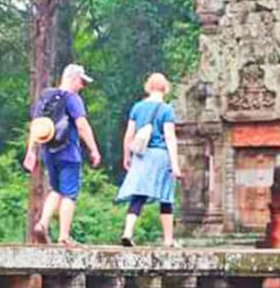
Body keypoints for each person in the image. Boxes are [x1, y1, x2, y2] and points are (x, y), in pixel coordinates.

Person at [23, 64, 102, 245]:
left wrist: (31, 151)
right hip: (69, 152)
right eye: (81, 82)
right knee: (69, 194)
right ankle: (64, 236)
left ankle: (42, 224)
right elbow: (82, 125)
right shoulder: (72, 98)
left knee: (56, 189)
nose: (82, 86)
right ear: (72, 78)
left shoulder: (46, 97)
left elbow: (37, 126)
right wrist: (94, 149)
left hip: (49, 151)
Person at [115, 73, 183, 248]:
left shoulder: (137, 107)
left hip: (140, 155)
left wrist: (126, 155)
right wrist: (175, 164)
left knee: (138, 195)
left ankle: (127, 232)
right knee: (166, 197)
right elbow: (170, 137)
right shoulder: (166, 109)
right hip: (160, 155)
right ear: (165, 88)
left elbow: (129, 135)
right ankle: (168, 240)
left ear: (148, 87)